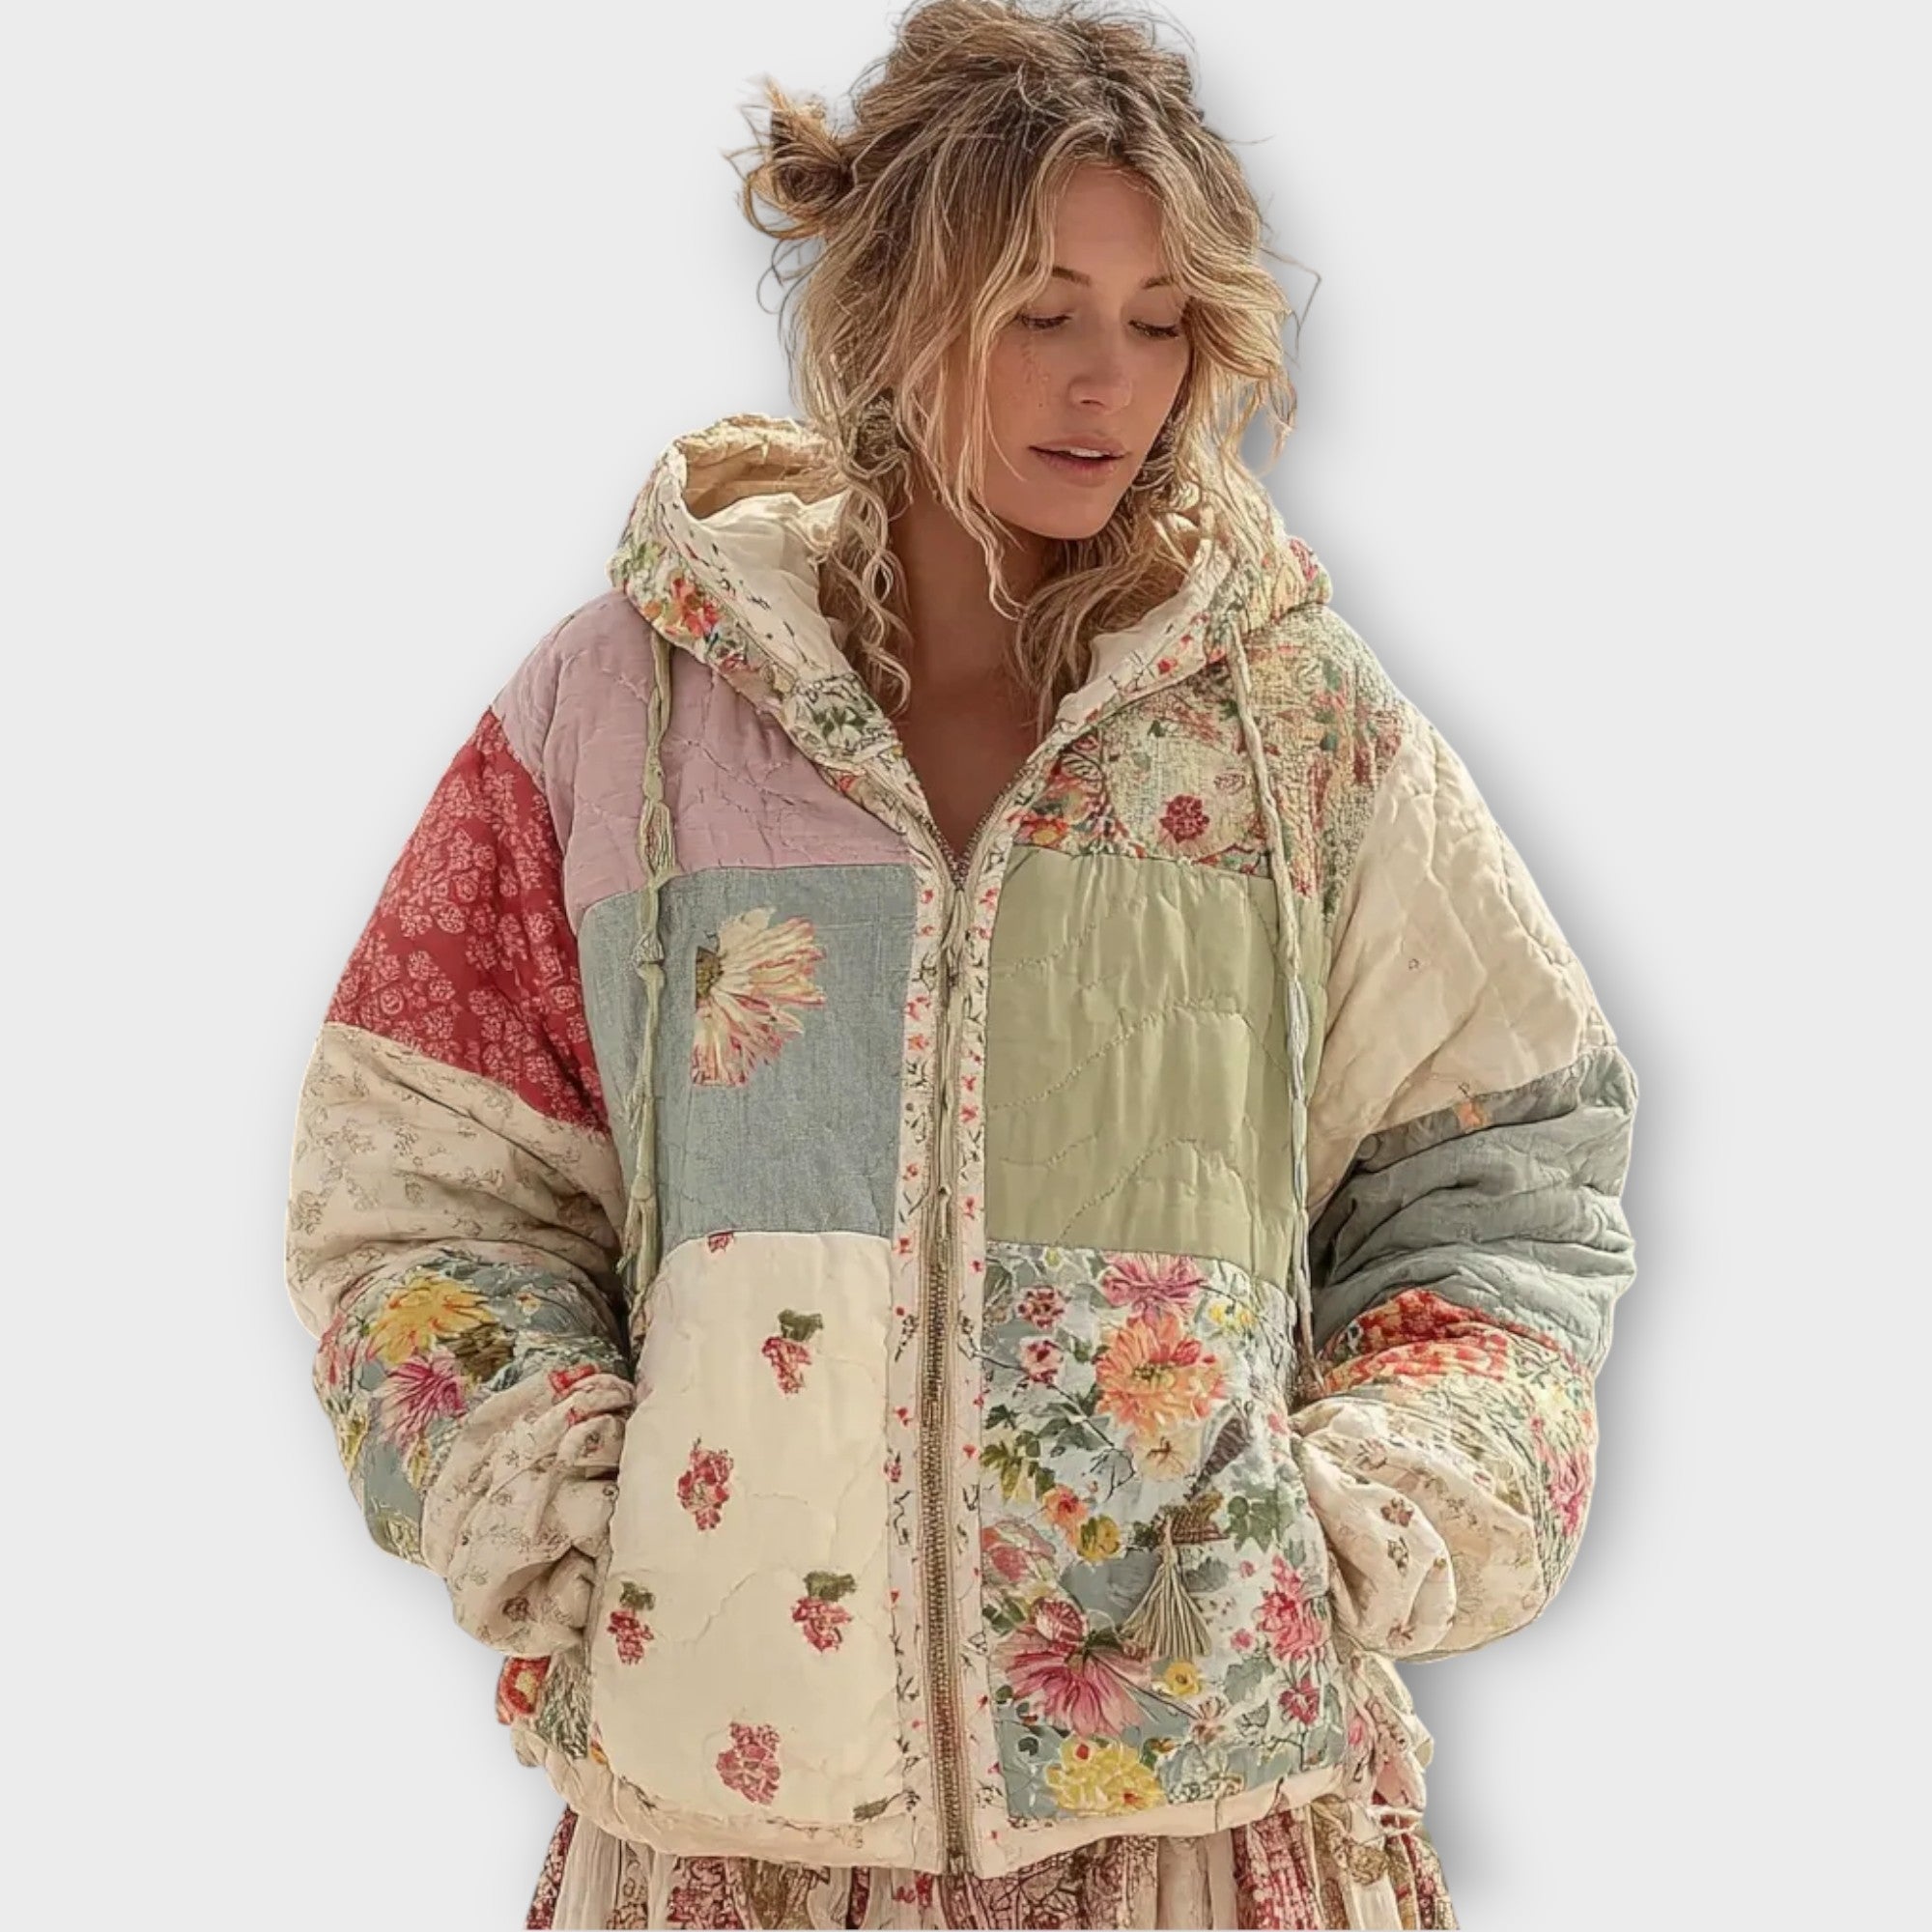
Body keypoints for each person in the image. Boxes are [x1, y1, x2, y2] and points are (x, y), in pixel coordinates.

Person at [282, 3, 1639, 1925]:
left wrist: (1355, 1514)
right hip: (733, 1811)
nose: (1107, 381)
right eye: (1038, 311)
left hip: (1195, 1812)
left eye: (1159, 320)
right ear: (894, 309)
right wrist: (562, 1493)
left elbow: (1506, 1164)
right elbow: (420, 1170)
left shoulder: (1297, 733)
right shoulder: (628, 715)